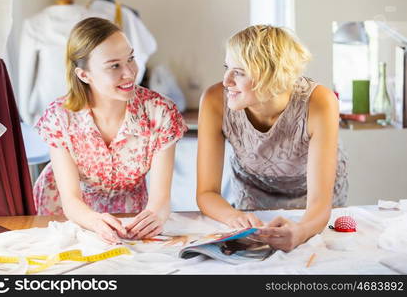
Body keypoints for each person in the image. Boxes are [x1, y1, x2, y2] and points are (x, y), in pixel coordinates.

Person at [33, 17, 187, 244]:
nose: (130, 72)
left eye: (131, 59)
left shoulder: (160, 112)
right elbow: (71, 201)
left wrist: (155, 215)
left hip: (131, 215)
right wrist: (94, 221)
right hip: (70, 217)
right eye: (114, 65)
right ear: (84, 75)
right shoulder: (60, 117)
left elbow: (161, 199)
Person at [197, 25, 348, 252]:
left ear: (270, 76)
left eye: (239, 72)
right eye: (227, 67)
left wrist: (302, 230)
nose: (226, 81)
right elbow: (206, 193)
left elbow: (319, 204)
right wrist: (234, 217)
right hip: (252, 194)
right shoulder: (214, 100)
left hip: (312, 200)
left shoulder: (321, 102)